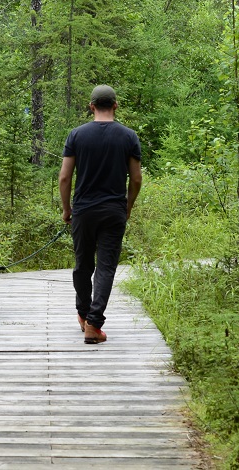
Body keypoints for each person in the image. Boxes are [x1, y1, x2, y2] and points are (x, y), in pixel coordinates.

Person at [59, 85, 142, 344]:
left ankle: (85, 317)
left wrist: (66, 209)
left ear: (91, 106)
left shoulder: (77, 135)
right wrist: (126, 207)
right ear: (115, 105)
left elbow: (64, 177)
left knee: (83, 265)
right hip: (113, 211)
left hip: (83, 211)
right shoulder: (129, 137)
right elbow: (136, 179)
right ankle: (93, 324)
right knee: (106, 267)